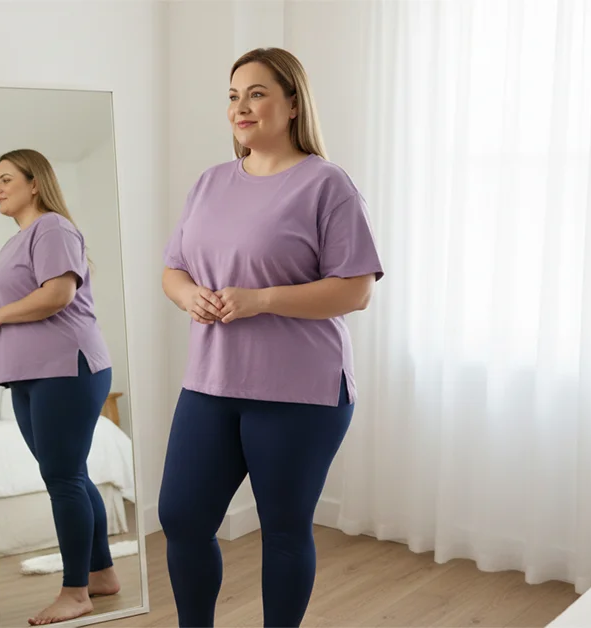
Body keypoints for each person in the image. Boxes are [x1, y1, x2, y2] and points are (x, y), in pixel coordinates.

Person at [159, 47, 384, 627]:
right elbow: (174, 269)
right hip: (210, 382)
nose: (241, 106)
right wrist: (189, 296)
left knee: (283, 529)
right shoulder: (210, 183)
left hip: (298, 390)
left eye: (256, 94)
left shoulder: (326, 183)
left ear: (292, 104)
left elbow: (356, 289)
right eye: (234, 96)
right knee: (181, 518)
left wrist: (260, 300)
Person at [0, 148, 120, 626]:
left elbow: (58, 293)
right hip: (31, 372)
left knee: (63, 478)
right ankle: (101, 574)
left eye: (6, 178)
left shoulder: (52, 227)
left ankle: (75, 593)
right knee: (68, 474)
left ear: (34, 182)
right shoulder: (17, 241)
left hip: (66, 367)